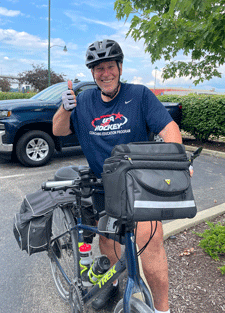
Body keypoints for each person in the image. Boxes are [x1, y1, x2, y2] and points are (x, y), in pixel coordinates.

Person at [53, 39, 182, 313]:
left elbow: (169, 128)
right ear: (92, 73)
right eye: (98, 69)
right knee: (107, 241)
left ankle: (162, 309)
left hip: (140, 184)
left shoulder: (139, 95)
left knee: (151, 241)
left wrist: (177, 161)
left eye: (110, 66)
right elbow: (59, 130)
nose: (105, 73)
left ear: (120, 68)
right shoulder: (83, 100)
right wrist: (64, 108)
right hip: (104, 187)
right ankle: (113, 285)